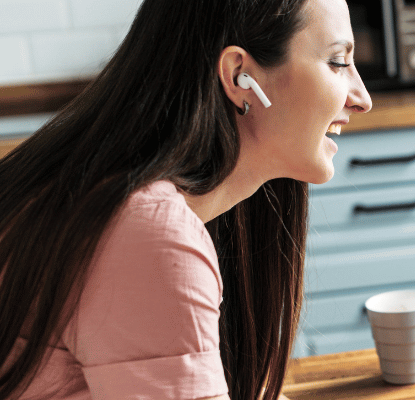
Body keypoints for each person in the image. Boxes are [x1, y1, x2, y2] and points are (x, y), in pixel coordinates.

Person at [0, 0, 372, 399]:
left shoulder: (165, 205)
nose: (362, 98)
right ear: (239, 76)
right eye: (337, 62)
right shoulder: (148, 236)